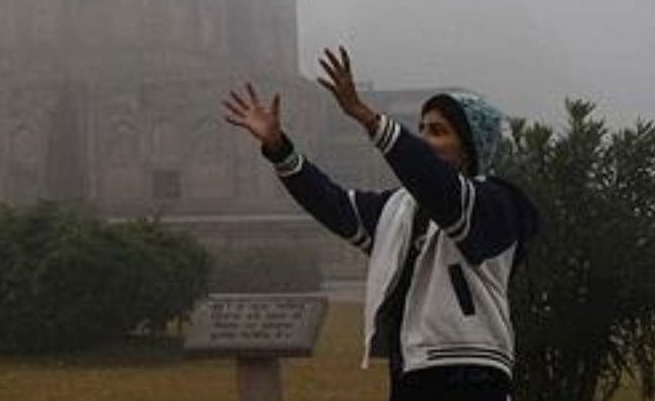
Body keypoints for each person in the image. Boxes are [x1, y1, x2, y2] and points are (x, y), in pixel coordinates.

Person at [221, 47, 538, 401]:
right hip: (411, 371)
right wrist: (280, 149)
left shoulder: (497, 204)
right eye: (422, 130)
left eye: (439, 131)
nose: (426, 139)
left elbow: (439, 188)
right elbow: (335, 205)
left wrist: (368, 118)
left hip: (472, 373)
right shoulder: (399, 210)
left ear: (469, 147)